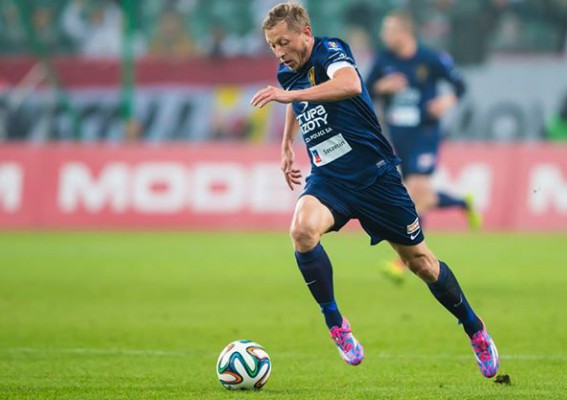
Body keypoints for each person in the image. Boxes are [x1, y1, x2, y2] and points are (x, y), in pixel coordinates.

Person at [250, 1, 499, 378]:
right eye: (272, 45)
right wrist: (286, 144)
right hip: (330, 179)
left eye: (284, 42)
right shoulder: (288, 72)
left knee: (421, 263)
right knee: (301, 231)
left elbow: (349, 84)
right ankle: (336, 324)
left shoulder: (330, 50)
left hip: (375, 177)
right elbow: (292, 94)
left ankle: (474, 328)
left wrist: (291, 97)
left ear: (306, 33)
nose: (279, 52)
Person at [365, 10, 482, 282]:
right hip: (399, 137)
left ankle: (404, 261)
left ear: (405, 32)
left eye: (389, 30)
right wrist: (382, 87)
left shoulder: (430, 58)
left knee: (415, 192)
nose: (384, 35)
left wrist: (446, 102)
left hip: (425, 133)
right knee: (423, 196)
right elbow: (364, 91)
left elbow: (460, 84)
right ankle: (463, 203)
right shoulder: (384, 60)